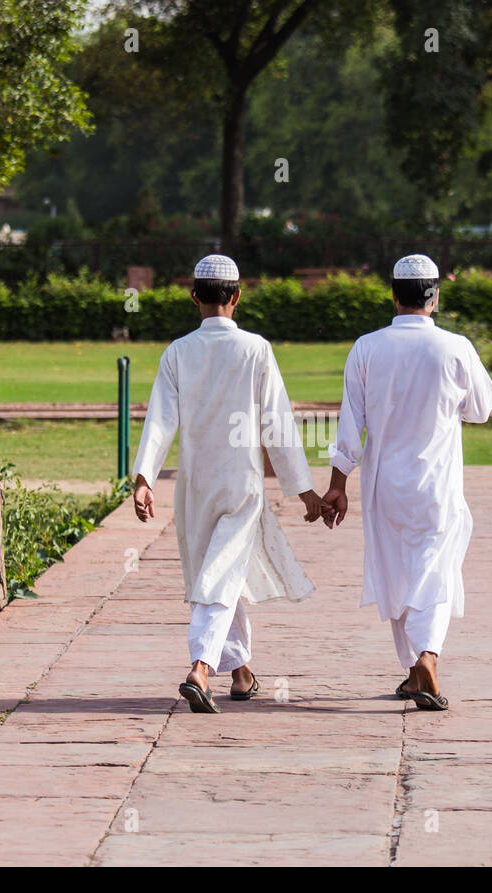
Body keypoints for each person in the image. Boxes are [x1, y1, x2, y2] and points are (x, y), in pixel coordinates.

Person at [131, 254, 331, 714]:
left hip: (195, 485)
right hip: (242, 483)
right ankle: (201, 666)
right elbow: (277, 425)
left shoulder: (178, 351)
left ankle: (240, 674)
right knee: (222, 573)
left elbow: (160, 421)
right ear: (237, 297)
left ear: (194, 296)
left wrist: (145, 479)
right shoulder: (256, 349)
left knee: (218, 571)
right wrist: (304, 490)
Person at [322, 254, 492, 711]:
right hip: (436, 485)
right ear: (435, 298)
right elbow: (481, 408)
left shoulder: (367, 347)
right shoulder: (455, 347)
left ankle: (415, 670)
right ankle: (427, 657)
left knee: (398, 572)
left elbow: (349, 424)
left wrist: (337, 485)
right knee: (435, 570)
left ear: (394, 296)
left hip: (383, 487)